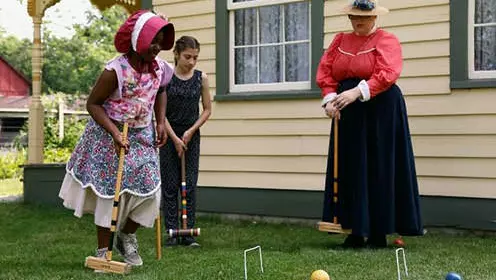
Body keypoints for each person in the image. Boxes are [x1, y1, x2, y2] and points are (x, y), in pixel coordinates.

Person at [58, 10, 175, 267]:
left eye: (161, 41)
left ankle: (126, 235)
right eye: (153, 41)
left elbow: (162, 91)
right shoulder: (115, 70)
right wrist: (113, 132)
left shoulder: (161, 69)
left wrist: (160, 121)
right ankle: (103, 252)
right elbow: (93, 104)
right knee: (110, 195)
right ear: (138, 40)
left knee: (150, 191)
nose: (157, 47)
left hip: (142, 133)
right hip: (108, 133)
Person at [316, 0, 423, 248]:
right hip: (348, 109)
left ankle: (378, 232)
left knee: (379, 166)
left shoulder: (387, 40)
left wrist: (356, 92)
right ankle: (354, 230)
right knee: (351, 166)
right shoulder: (339, 41)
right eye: (354, 16)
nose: (358, 20)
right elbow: (327, 72)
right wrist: (330, 100)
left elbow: (388, 73)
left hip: (381, 107)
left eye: (364, 16)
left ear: (374, 18)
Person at [160, 35, 212, 247]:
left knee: (189, 184)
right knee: (171, 185)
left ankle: (188, 232)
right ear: (176, 54)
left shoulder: (201, 78)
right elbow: (160, 113)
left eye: (195, 58)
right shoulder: (166, 77)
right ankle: (172, 231)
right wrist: (174, 138)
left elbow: (208, 110)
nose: (191, 62)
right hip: (169, 136)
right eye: (187, 57)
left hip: (191, 136)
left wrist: (190, 132)